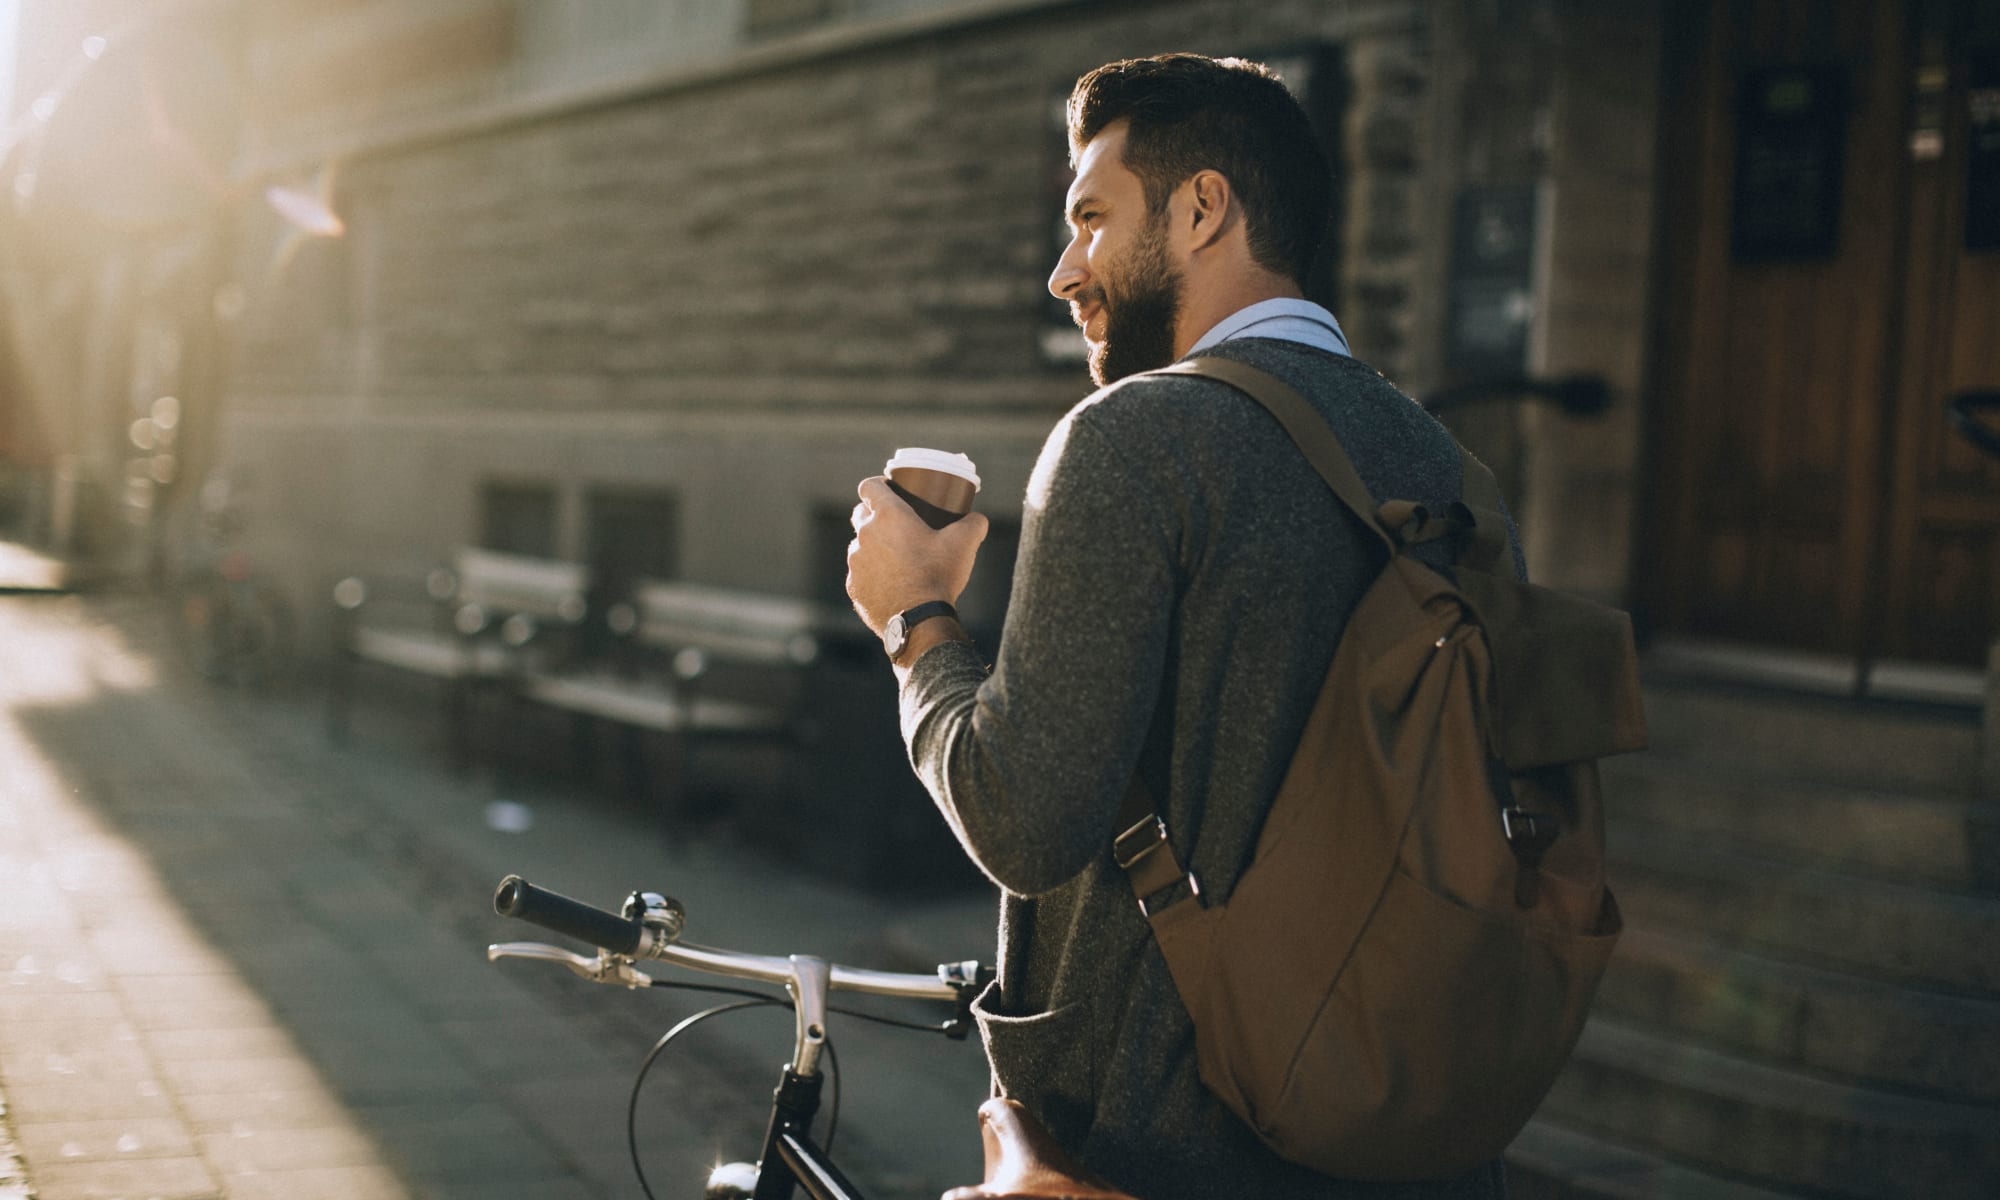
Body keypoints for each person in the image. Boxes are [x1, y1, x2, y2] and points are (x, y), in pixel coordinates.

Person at [846, 53, 1513, 1200]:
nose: (1063, 273)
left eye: (1090, 218)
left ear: (1202, 208)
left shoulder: (1132, 437)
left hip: (1162, 1144)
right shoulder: (1441, 461)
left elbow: (1022, 814)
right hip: (1402, 1122)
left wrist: (913, 618)